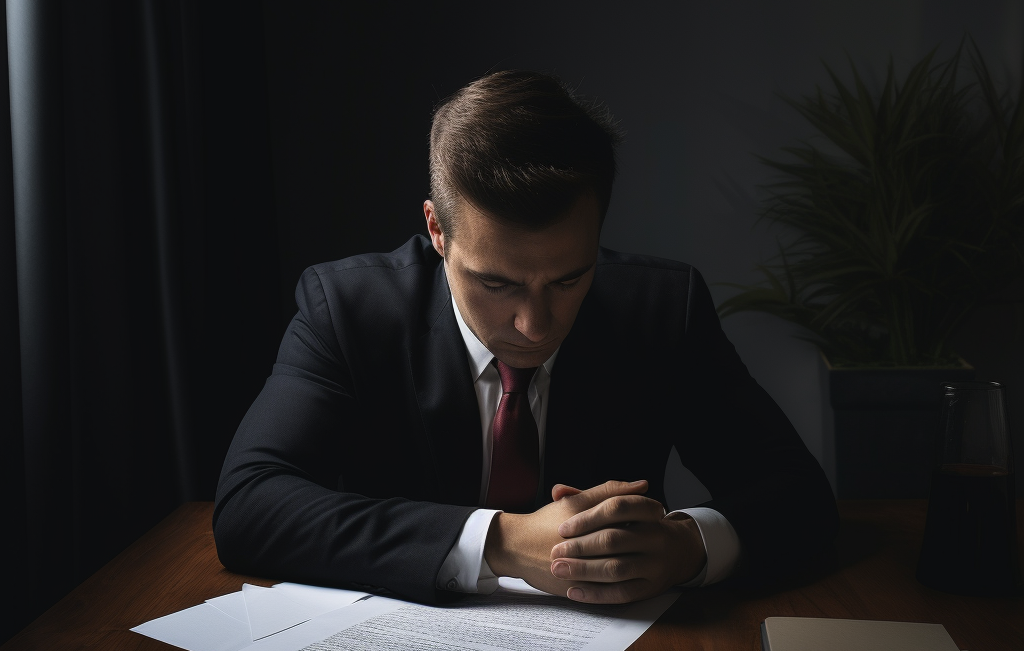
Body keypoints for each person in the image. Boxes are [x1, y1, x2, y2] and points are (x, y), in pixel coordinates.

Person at [214, 70, 838, 605]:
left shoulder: (661, 309)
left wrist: (688, 546)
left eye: (569, 278)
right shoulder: (348, 310)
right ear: (436, 230)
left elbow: (801, 499)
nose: (535, 325)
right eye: (497, 283)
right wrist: (503, 542)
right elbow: (250, 503)